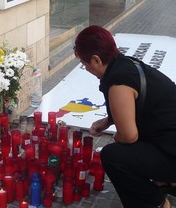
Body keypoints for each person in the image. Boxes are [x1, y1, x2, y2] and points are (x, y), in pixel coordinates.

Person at [73, 25, 176, 208]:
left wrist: (118, 137)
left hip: (171, 151)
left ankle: (156, 203)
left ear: (96, 60)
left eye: (85, 63)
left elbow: (129, 136)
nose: (86, 68)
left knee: (114, 156)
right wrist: (107, 122)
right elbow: (137, 104)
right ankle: (165, 180)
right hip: (168, 141)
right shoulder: (125, 64)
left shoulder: (119, 81)